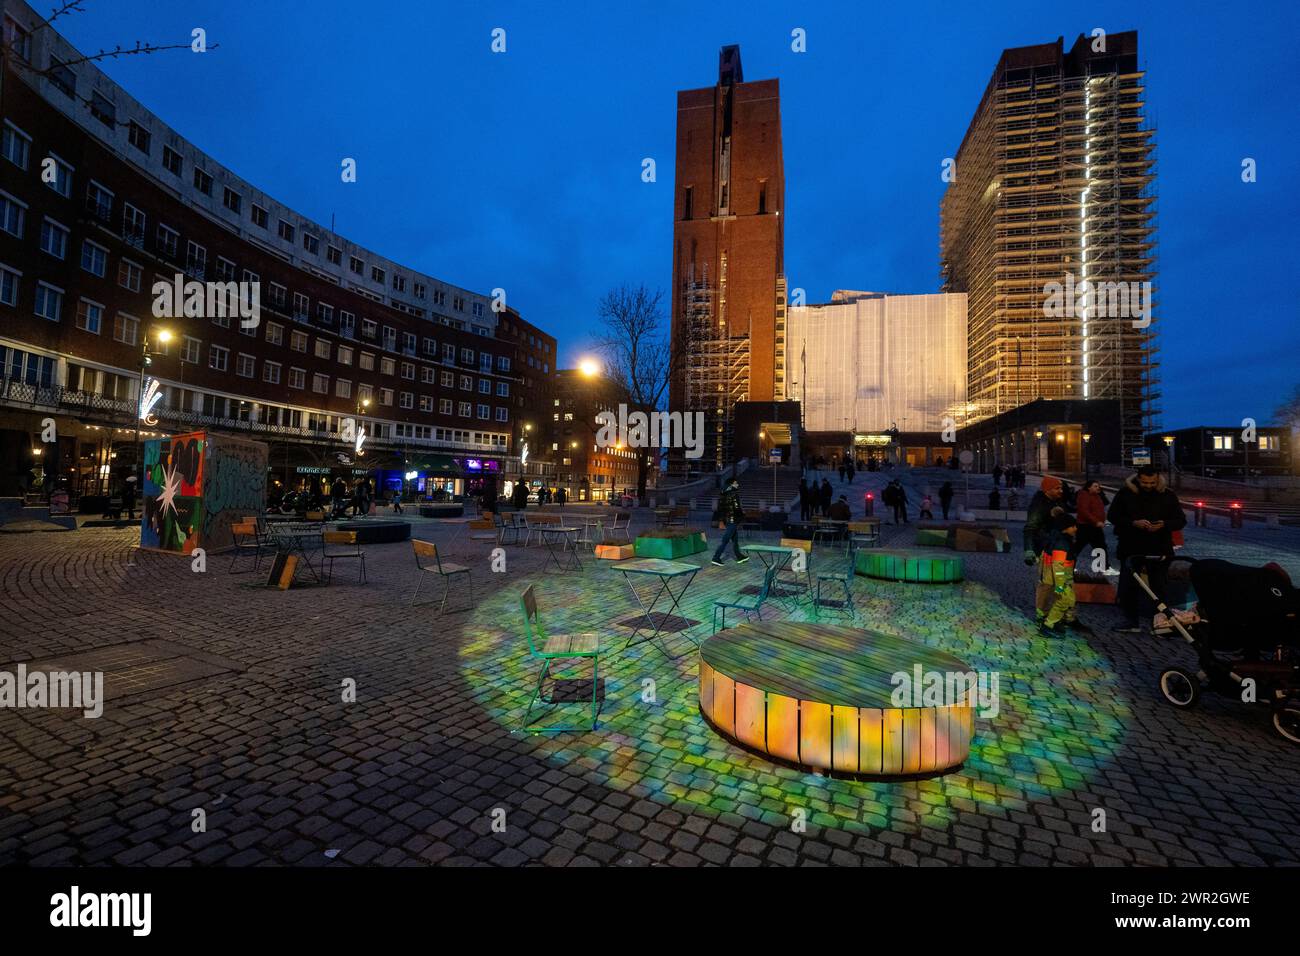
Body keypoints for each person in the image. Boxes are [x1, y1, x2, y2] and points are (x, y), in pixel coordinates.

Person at [1107, 465, 1187, 634]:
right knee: (1128, 586)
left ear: (1158, 479)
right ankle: (1131, 621)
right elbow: (1113, 516)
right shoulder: (1125, 493)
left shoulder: (1168, 495)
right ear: (1138, 479)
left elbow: (1180, 520)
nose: (1149, 486)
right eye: (1145, 482)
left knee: (1159, 587)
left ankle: (1160, 622)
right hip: (1131, 547)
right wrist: (1133, 523)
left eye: (1152, 482)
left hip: (1159, 547)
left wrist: (1164, 524)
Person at [1023, 475, 1089, 633]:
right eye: (1057, 488)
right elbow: (1030, 528)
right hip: (1047, 549)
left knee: (1065, 584)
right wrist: (1029, 549)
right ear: (1047, 490)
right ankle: (1044, 616)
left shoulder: (1059, 501)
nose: (1061, 491)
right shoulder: (1039, 505)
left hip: (1063, 547)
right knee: (1047, 585)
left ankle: (1067, 617)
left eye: (1061, 488)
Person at [1039, 513, 1082, 635]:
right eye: (1072, 526)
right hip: (1059, 580)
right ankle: (1049, 624)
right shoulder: (1061, 543)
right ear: (1065, 528)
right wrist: (1059, 585)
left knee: (1068, 599)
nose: (1075, 529)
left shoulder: (1060, 539)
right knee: (1064, 600)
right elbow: (1058, 566)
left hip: (1062, 578)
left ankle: (1054, 622)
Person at [710, 477, 749, 567]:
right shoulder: (733, 494)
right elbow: (736, 508)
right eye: (736, 483)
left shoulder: (723, 494)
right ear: (731, 484)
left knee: (735, 540)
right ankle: (716, 558)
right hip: (732, 520)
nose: (737, 485)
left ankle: (739, 556)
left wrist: (722, 519)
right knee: (725, 540)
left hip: (727, 519)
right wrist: (742, 515)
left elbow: (720, 509)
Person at [1074, 479, 1108, 571]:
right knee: (1078, 546)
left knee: (1100, 546)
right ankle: (1067, 564)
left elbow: (1100, 509)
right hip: (1086, 526)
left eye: (1098, 486)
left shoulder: (1096, 496)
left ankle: (1104, 567)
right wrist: (1096, 521)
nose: (1098, 488)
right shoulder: (1084, 496)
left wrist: (1102, 520)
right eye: (1095, 486)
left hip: (1093, 526)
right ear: (1089, 487)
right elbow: (1084, 511)